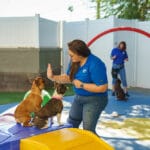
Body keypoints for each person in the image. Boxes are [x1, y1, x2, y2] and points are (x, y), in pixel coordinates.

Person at [47, 39, 108, 135]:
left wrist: (82, 85)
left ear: (80, 54)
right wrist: (53, 77)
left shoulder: (96, 64)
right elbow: (68, 78)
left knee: (88, 130)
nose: (70, 58)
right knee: (71, 124)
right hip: (79, 97)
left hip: (96, 99)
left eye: (72, 55)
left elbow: (102, 87)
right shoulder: (74, 62)